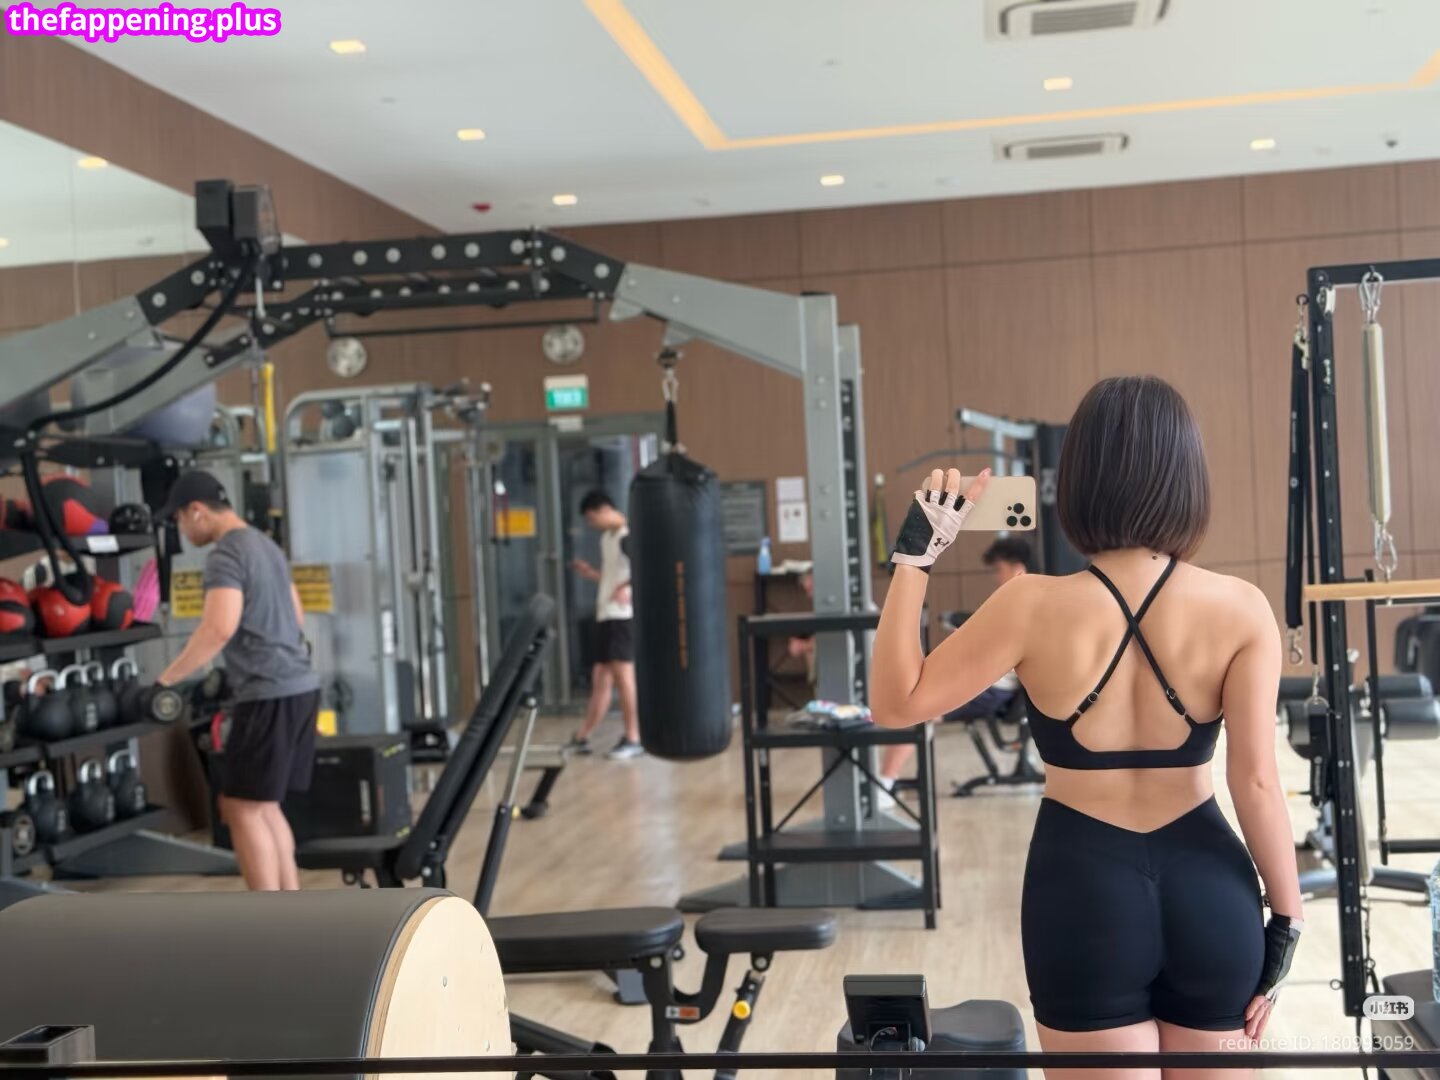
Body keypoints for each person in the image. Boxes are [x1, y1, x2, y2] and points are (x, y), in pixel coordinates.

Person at [872, 376, 1302, 1079]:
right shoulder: (1241, 607)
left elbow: (896, 704)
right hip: (1211, 891)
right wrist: (1286, 922)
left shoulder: (1030, 604)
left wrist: (916, 553)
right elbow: (1255, 782)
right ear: (1187, 479)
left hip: (1081, 890)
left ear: (1078, 482)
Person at [155, 470, 319, 891]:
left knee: (241, 808)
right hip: (300, 686)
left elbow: (218, 629)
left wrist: (165, 681)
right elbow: (297, 616)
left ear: (197, 511)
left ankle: (266, 915)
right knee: (264, 806)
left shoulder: (226, 554)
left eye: (180, 520)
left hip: (267, 692)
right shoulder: (266, 545)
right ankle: (291, 910)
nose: (182, 530)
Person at [873, 537, 1034, 807]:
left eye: (999, 569)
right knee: (917, 701)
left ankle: (885, 784)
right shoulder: (1022, 598)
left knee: (918, 711)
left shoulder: (1021, 599)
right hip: (987, 681)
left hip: (991, 688)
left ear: (1017, 568)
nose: (996, 576)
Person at [568, 489, 643, 760]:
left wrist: (626, 587)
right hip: (606, 614)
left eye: (592, 518)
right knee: (601, 677)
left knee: (624, 677)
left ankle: (634, 737)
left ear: (604, 510)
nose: (592, 525)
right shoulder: (608, 538)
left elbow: (646, 567)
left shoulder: (628, 536)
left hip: (621, 617)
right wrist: (591, 573)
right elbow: (614, 576)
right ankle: (582, 736)